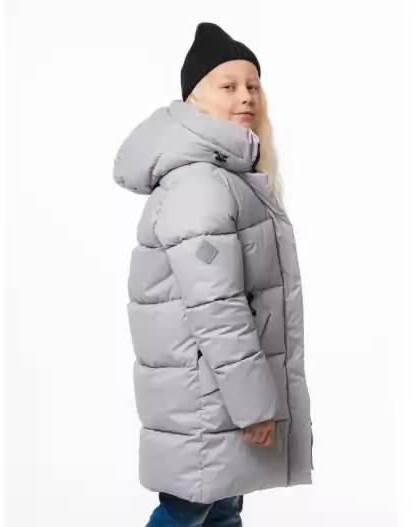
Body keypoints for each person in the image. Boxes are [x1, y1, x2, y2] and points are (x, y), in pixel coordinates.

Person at [113, 21, 314, 527]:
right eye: (228, 85)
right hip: (208, 398)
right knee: (187, 512)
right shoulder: (200, 184)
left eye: (253, 85)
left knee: (221, 509)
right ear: (194, 99)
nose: (245, 96)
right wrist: (254, 405)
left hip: (213, 391)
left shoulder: (225, 175)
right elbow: (216, 307)